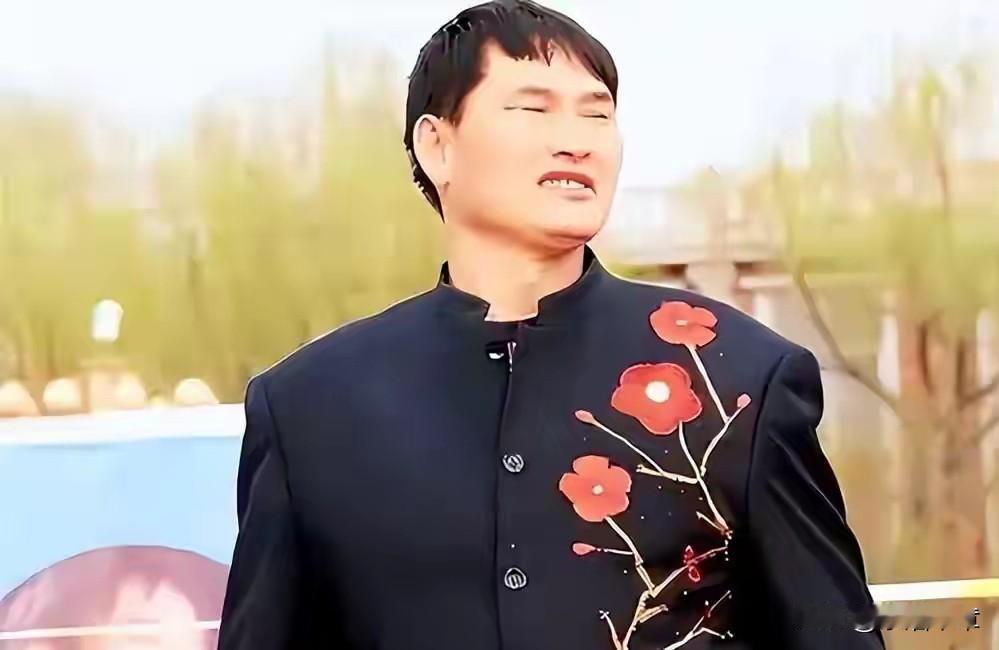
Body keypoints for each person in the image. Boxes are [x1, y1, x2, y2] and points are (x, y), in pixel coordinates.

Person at [217, 1, 885, 648]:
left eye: (596, 114)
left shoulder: (733, 378)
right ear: (437, 146)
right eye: (532, 109)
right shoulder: (310, 407)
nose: (575, 141)